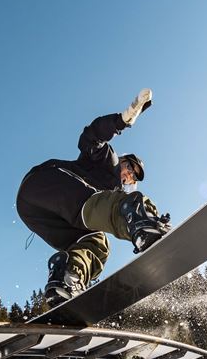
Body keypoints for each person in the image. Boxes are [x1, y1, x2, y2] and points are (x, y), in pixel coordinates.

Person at [16, 89, 171, 305]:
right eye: (128, 167)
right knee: (116, 205)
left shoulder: (112, 192)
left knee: (96, 242)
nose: (127, 174)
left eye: (131, 176)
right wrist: (121, 121)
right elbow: (91, 138)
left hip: (35, 213)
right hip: (47, 183)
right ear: (122, 159)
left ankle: (68, 277)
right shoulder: (108, 160)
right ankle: (142, 221)